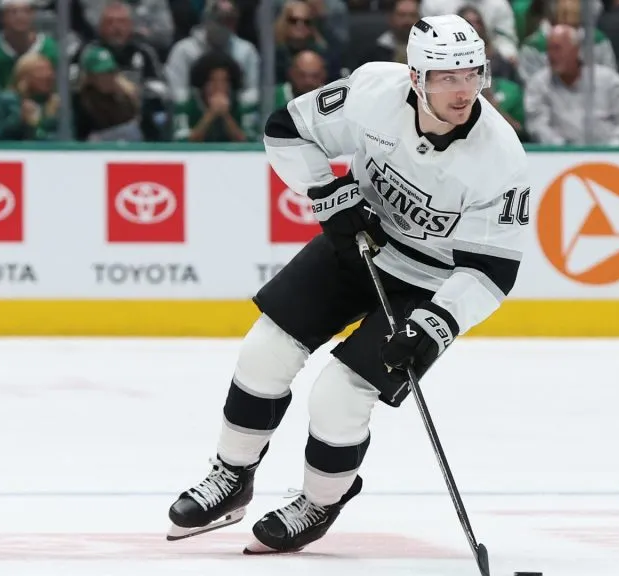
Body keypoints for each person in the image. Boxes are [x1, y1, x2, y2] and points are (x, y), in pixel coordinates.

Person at [166, 14, 529, 554]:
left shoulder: (501, 160)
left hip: (427, 282)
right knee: (265, 351)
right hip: (357, 244)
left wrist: (435, 326)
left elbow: (492, 270)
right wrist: (330, 197)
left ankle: (319, 501)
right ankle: (232, 476)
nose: (462, 91)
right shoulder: (372, 90)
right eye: (446, 77)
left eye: (472, 74)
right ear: (415, 78)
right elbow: (286, 129)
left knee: (339, 395)